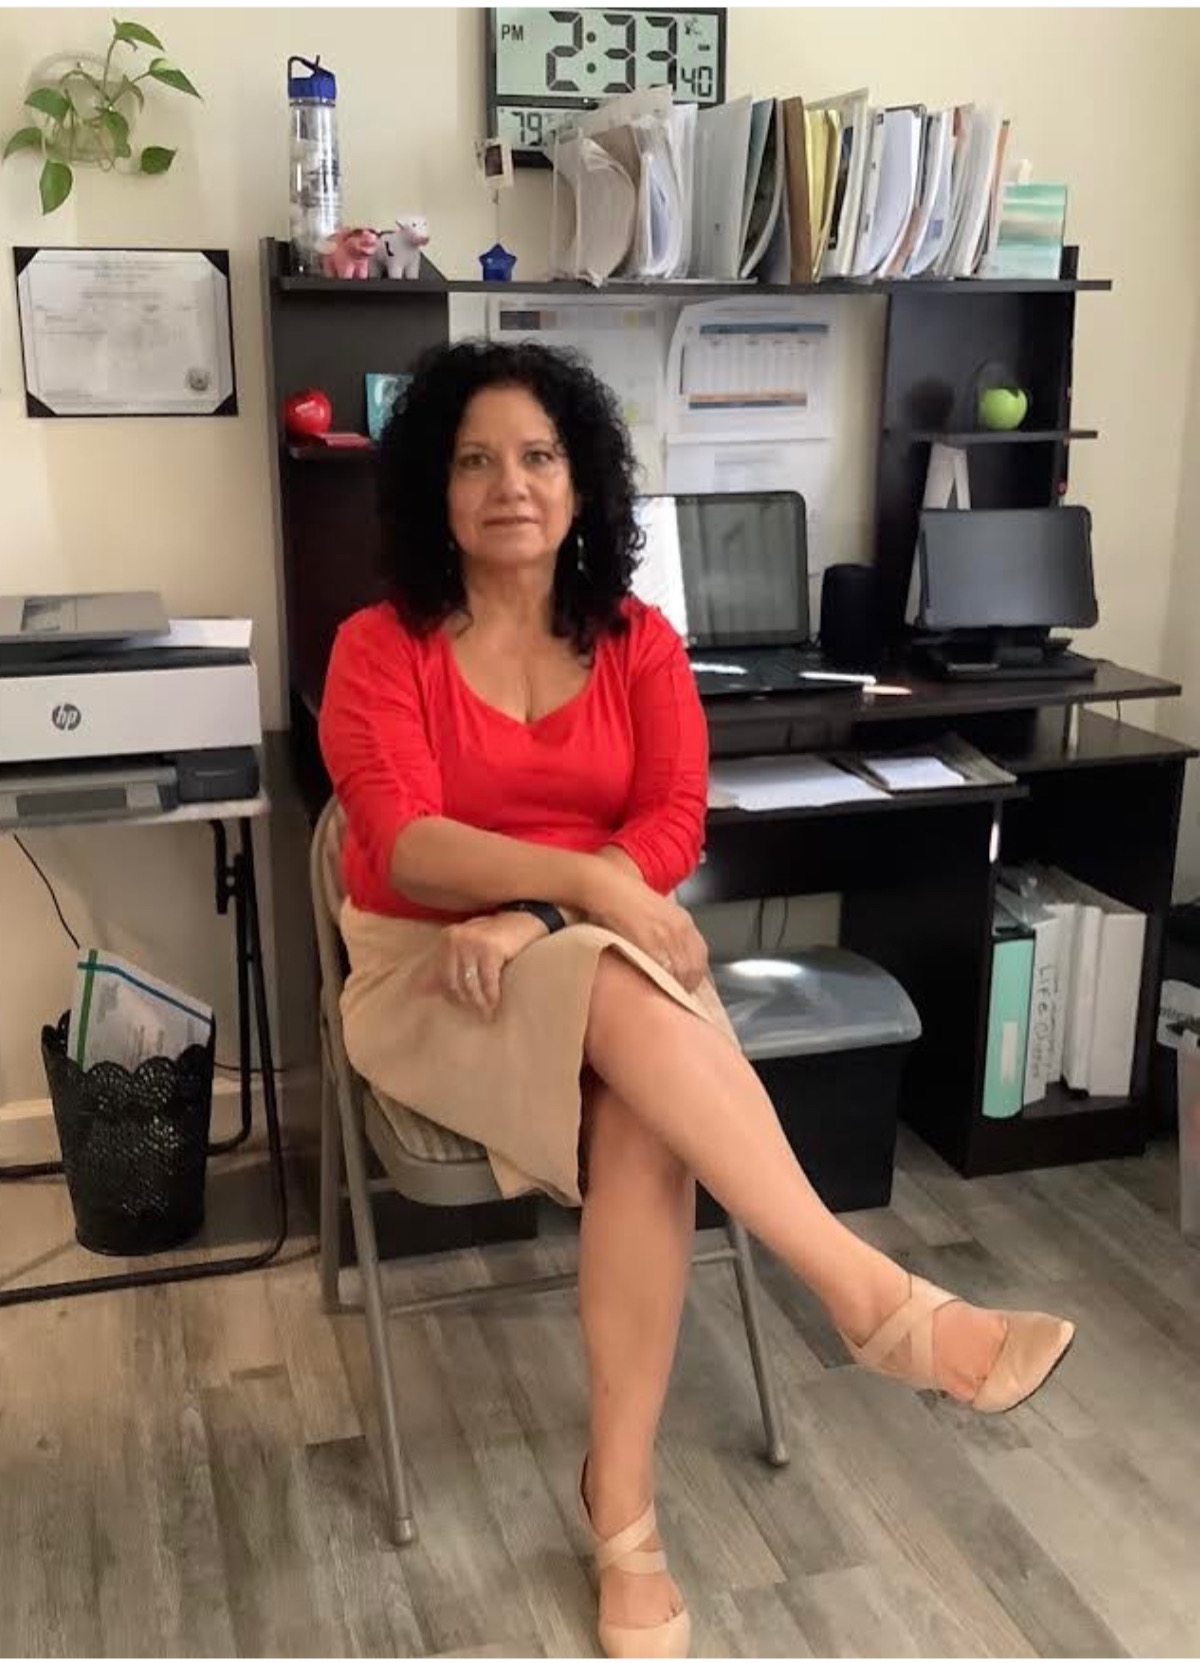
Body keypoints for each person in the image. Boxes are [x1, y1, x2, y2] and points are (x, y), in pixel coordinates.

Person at [318, 340, 1075, 1659]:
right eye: (476, 460)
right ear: (436, 489)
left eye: (539, 456)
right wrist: (577, 887)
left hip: (580, 959)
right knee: (627, 977)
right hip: (432, 971)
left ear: (583, 484)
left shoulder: (639, 642)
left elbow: (672, 823)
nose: (510, 485)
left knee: (643, 1111)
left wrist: (545, 914)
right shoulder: (379, 649)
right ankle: (867, 1300)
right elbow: (407, 849)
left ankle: (623, 1510)